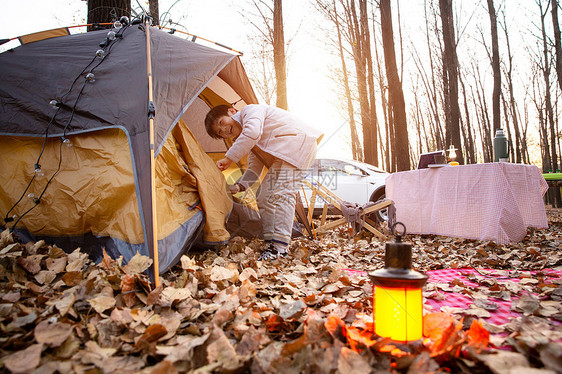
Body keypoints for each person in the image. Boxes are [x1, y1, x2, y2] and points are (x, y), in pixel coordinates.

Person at [205, 104, 323, 260]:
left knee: (283, 194)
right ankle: (271, 242)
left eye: (222, 122)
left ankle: (280, 248)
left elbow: (253, 132)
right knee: (263, 196)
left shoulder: (250, 111)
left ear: (232, 111)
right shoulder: (250, 140)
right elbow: (255, 167)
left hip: (299, 144)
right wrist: (240, 186)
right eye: (220, 132)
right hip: (285, 155)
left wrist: (229, 158)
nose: (224, 130)